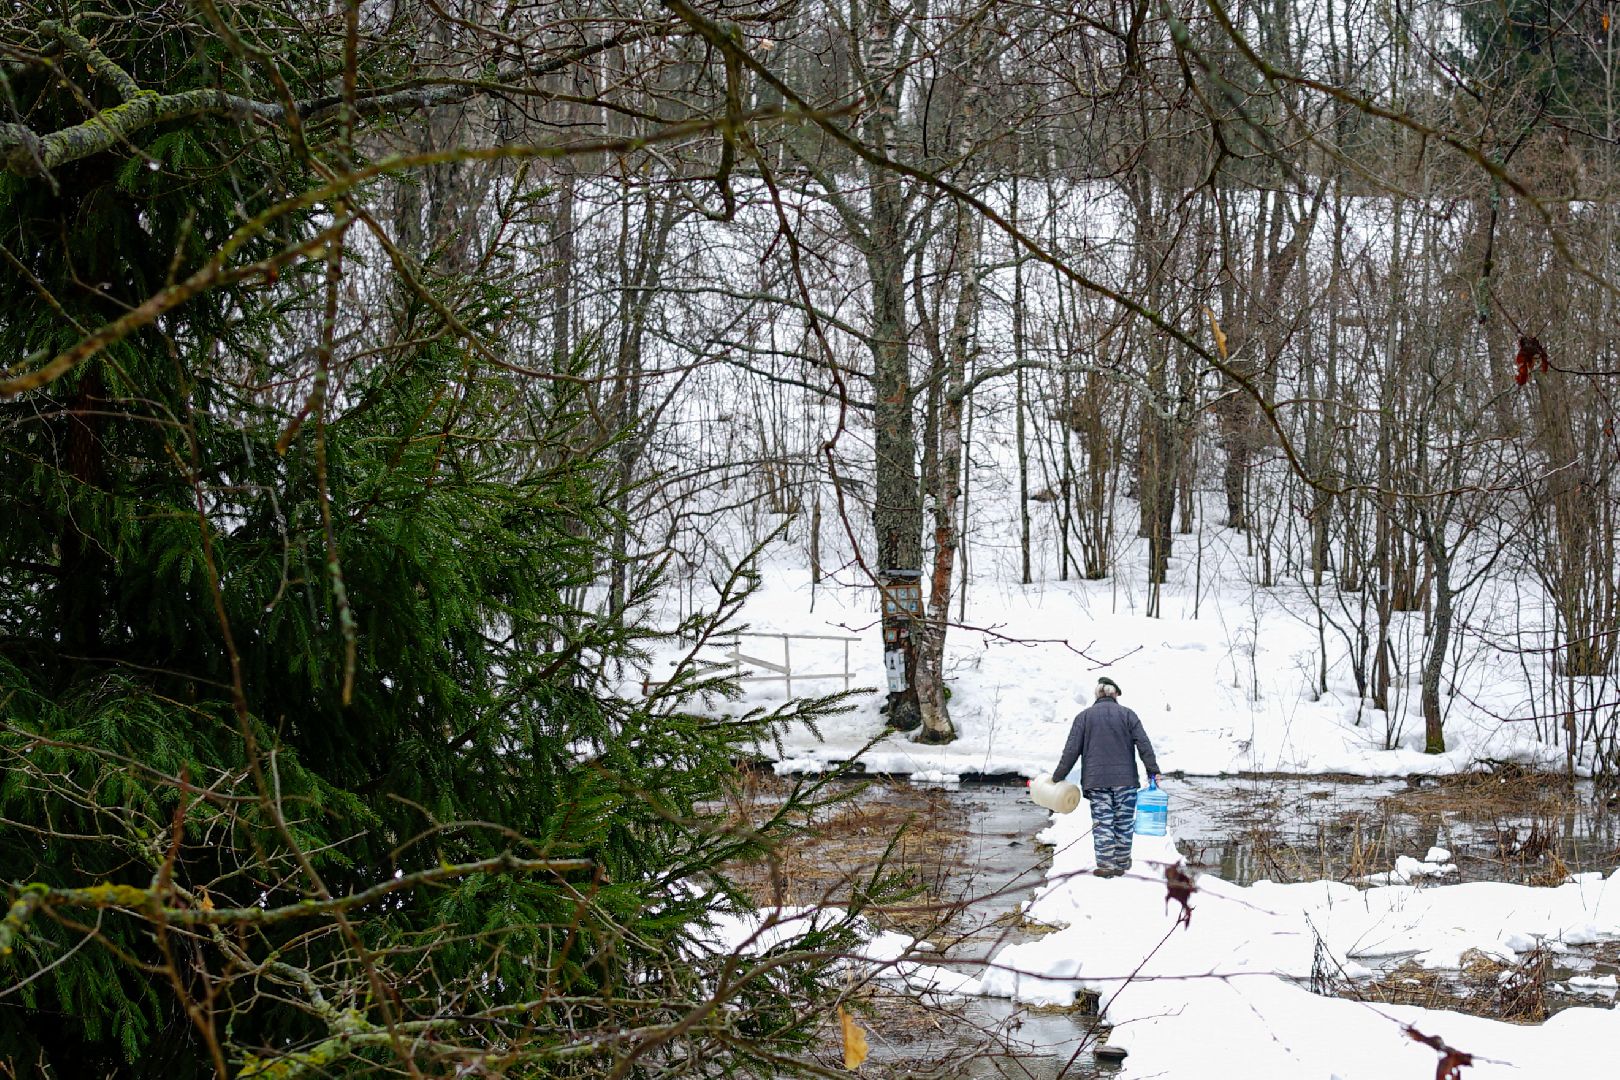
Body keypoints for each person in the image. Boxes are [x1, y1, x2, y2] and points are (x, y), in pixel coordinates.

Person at [1050, 676, 1160, 878]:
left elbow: (1071, 751)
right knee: (1123, 822)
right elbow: (1144, 744)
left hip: (1097, 781)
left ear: (1097, 694)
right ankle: (1121, 863)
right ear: (1115, 694)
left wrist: (1057, 777)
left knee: (1103, 823)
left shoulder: (1083, 717)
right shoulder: (1128, 714)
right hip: (1125, 781)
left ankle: (1106, 866)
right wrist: (1152, 771)